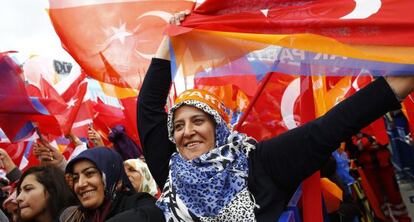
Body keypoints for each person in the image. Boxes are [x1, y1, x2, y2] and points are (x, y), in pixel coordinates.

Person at [137, 12, 414, 221]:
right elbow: (148, 109)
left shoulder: (259, 164)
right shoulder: (172, 170)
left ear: (219, 128)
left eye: (198, 121)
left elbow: (332, 127)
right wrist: (170, 40)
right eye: (179, 125)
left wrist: (400, 81)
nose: (187, 131)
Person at [60, 147, 164, 222]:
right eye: (75, 178)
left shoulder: (139, 204)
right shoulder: (74, 217)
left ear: (116, 181)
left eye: (89, 173)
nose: (80, 184)